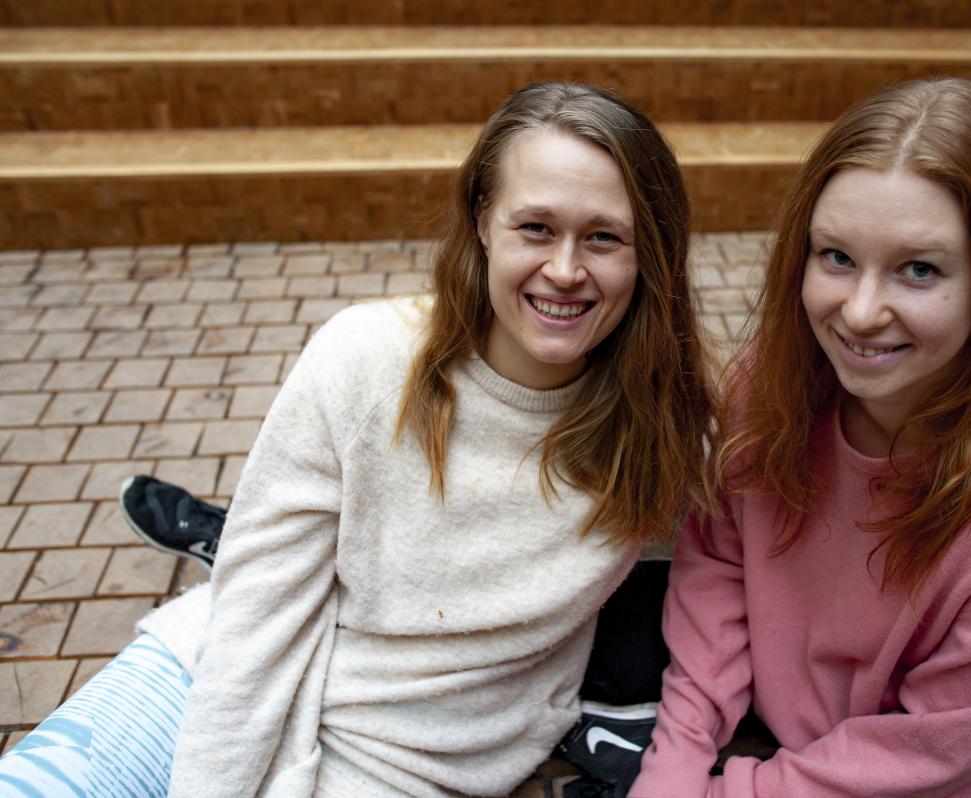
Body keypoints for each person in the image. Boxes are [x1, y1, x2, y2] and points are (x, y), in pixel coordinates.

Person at [0, 81, 714, 798]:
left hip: (401, 762)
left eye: (603, 237)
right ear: (482, 223)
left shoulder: (657, 425)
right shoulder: (364, 360)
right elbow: (257, 613)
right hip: (208, 678)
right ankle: (224, 537)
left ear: (647, 251)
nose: (564, 269)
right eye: (535, 227)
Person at [628, 77, 971, 797]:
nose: (859, 315)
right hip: (774, 737)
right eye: (836, 256)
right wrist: (676, 762)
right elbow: (720, 558)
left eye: (919, 270)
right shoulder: (772, 384)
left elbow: (925, 759)